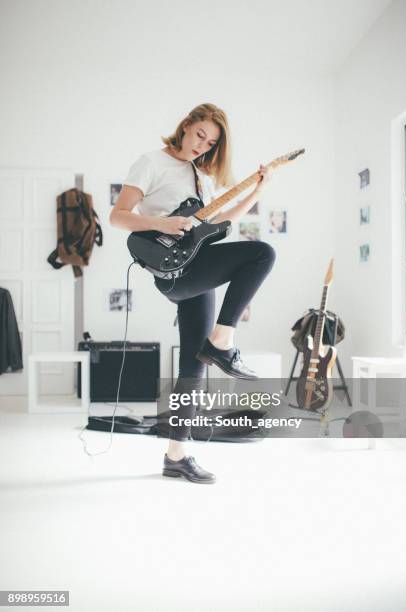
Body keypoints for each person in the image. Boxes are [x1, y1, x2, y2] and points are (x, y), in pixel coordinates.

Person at [110, 103, 275, 484]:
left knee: (193, 366)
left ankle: (176, 455)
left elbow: (219, 222)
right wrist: (162, 222)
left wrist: (257, 190)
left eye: (212, 141)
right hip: (173, 271)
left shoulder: (202, 176)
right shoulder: (151, 162)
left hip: (198, 269)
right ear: (185, 126)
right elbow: (118, 216)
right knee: (262, 253)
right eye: (200, 134)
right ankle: (223, 341)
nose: (203, 144)